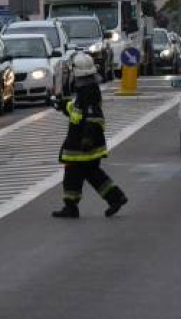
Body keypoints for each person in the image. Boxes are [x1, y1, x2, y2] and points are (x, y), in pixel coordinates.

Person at [51, 53, 128, 219]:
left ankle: (71, 207)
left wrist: (87, 139)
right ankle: (116, 197)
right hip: (84, 144)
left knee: (72, 176)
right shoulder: (86, 91)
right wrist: (62, 105)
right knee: (93, 174)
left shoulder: (89, 92)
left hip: (82, 145)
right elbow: (77, 112)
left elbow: (93, 117)